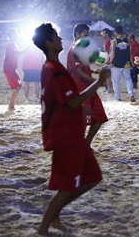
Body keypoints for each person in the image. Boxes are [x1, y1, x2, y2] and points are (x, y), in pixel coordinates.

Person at [32, 23, 109, 235]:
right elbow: (72, 102)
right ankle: (44, 227)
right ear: (49, 43)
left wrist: (80, 111)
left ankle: (54, 216)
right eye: (56, 37)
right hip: (66, 137)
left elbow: (66, 103)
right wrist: (99, 82)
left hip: (72, 133)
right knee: (68, 186)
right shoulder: (53, 70)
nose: (60, 39)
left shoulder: (54, 68)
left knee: (92, 177)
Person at [67, 24, 108, 146]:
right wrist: (97, 82)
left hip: (88, 89)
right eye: (85, 35)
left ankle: (86, 145)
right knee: (82, 121)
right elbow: (78, 73)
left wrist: (92, 71)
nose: (87, 38)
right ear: (77, 34)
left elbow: (80, 69)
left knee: (99, 117)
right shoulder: (75, 49)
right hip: (80, 90)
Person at [109, 25, 135, 102]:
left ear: (116, 32)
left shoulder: (114, 41)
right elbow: (130, 53)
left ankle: (117, 97)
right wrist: (132, 63)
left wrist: (110, 61)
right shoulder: (127, 40)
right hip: (126, 63)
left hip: (116, 63)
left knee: (116, 80)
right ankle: (131, 94)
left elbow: (113, 52)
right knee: (128, 79)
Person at [3, 29, 26, 113]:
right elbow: (17, 53)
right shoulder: (10, 45)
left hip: (11, 69)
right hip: (9, 69)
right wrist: (28, 48)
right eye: (15, 34)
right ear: (11, 35)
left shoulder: (13, 44)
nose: (17, 35)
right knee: (17, 86)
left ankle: (11, 105)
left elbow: (18, 53)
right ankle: (11, 106)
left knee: (18, 86)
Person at [100, 28, 113, 93]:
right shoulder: (108, 41)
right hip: (108, 60)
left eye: (103, 33)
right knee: (108, 75)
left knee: (107, 75)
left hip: (107, 60)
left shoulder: (108, 42)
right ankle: (109, 88)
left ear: (107, 34)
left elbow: (107, 52)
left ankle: (109, 89)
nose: (102, 35)